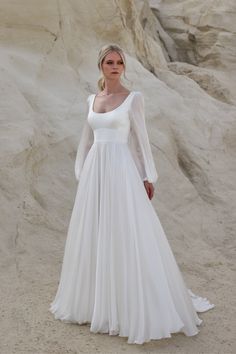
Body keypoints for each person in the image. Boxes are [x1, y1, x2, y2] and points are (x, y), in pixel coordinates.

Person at [49, 43, 214, 345]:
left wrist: (147, 175)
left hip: (122, 171)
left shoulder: (133, 99)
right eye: (109, 62)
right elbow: (86, 141)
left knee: (127, 231)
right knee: (96, 233)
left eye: (119, 63)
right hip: (95, 174)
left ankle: (131, 303)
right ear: (101, 66)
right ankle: (96, 302)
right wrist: (81, 174)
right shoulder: (92, 99)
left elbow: (141, 141)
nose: (114, 67)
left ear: (123, 67)